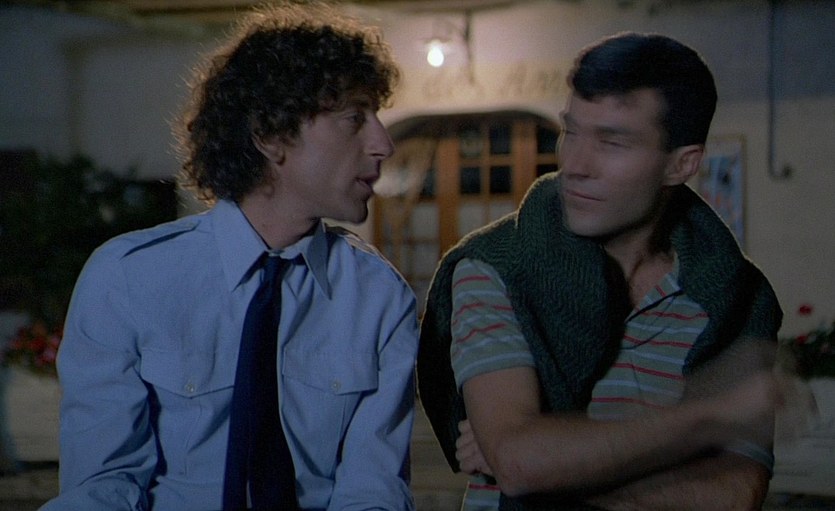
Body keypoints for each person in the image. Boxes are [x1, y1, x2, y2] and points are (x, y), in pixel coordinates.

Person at [42, 3, 418, 510]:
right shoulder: (129, 279)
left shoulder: (378, 297)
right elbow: (102, 487)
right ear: (270, 135)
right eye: (354, 118)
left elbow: (373, 493)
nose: (383, 144)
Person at [417, 32, 785, 510]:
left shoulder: (736, 297)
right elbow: (519, 462)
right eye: (571, 132)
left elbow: (734, 497)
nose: (575, 165)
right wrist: (707, 417)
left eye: (612, 142)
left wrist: (553, 463)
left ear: (681, 165)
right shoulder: (497, 267)